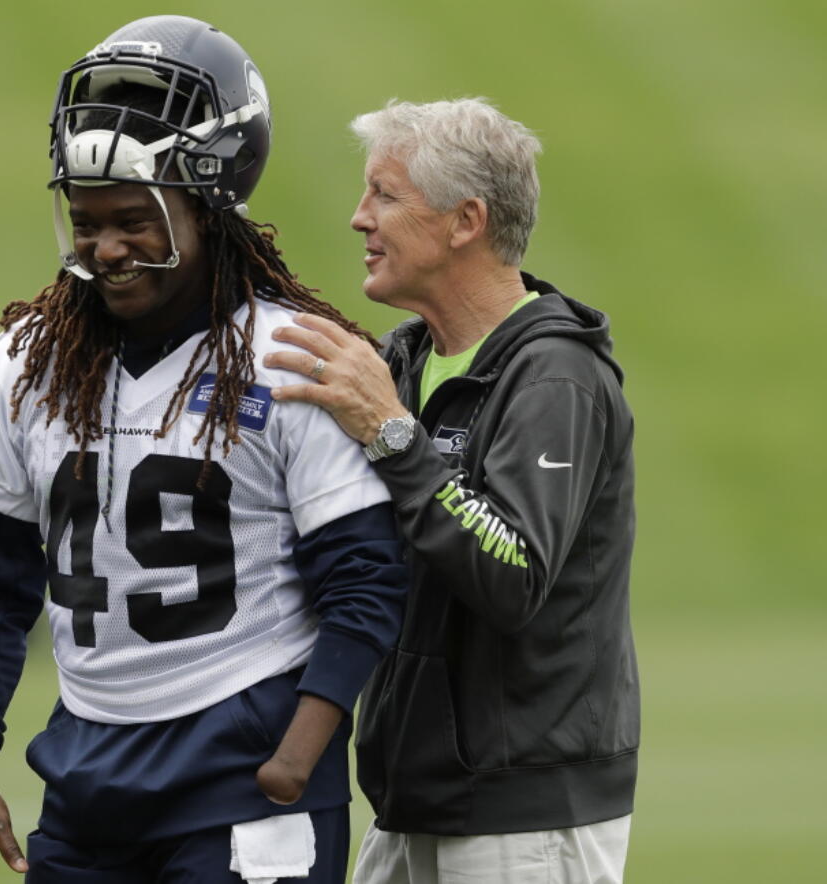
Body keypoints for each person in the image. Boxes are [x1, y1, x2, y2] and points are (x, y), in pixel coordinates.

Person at [0, 17, 406, 884]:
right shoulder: (23, 365)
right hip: (84, 784)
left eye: (135, 221)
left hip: (244, 778)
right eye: (85, 220)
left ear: (210, 207)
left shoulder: (297, 359)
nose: (106, 248)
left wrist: (295, 756)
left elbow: (367, 579)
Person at [265, 98, 639, 883]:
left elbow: (514, 574)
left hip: (524, 821)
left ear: (465, 220)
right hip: (414, 801)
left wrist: (393, 435)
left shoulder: (555, 378)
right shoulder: (401, 362)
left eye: (385, 195)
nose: (358, 218)